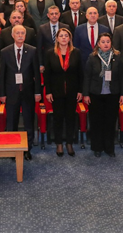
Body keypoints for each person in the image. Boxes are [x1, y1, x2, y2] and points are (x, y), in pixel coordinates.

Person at [0, 25, 41, 161]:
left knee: (29, 121)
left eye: (22, 33)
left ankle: (27, 149)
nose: (20, 35)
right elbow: (2, 75)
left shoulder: (32, 50)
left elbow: (36, 74)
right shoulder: (5, 52)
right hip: (11, 92)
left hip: (28, 92)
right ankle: (13, 149)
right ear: (12, 35)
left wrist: (37, 92)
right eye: (17, 33)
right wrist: (2, 93)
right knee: (12, 122)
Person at [82, 32, 123, 158]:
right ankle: (97, 147)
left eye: (108, 42)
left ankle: (109, 148)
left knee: (110, 122)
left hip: (113, 93)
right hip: (95, 94)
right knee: (96, 122)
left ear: (111, 43)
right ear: (98, 44)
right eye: (103, 42)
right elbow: (87, 77)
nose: (106, 44)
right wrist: (86, 94)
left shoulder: (117, 56)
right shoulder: (92, 57)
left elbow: (122, 76)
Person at [44, 28, 82, 157]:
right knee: (58, 118)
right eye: (61, 36)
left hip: (72, 90)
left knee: (71, 118)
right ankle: (59, 143)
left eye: (66, 35)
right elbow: (47, 74)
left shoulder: (76, 52)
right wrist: (48, 91)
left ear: (70, 38)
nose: (64, 38)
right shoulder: (50, 53)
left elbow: (80, 73)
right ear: (57, 39)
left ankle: (69, 143)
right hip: (56, 91)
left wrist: (80, 90)